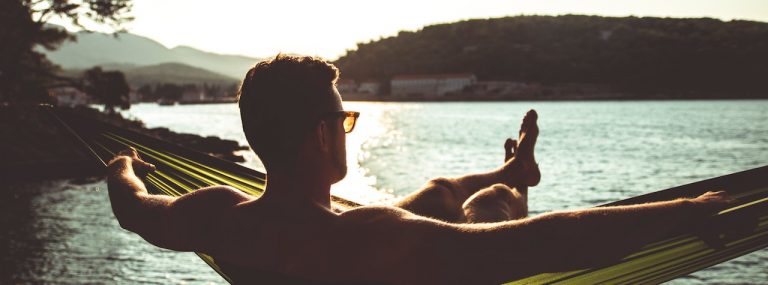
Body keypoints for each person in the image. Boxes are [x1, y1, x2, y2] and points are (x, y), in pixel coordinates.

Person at [106, 55, 733, 284]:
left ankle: (512, 167)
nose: (347, 131)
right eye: (346, 120)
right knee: (485, 208)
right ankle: (508, 182)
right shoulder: (369, 234)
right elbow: (550, 240)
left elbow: (135, 207)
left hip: (317, 243)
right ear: (324, 132)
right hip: (376, 263)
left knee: (433, 191)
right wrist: (688, 211)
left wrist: (120, 161)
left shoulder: (216, 214)